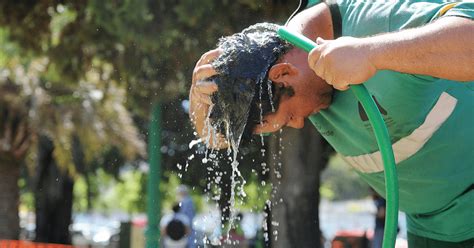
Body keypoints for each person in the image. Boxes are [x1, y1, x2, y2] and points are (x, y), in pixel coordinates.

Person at [189, 0, 474, 247]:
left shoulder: (373, 19)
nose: (300, 124)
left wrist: (373, 53)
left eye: (289, 116)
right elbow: (216, 139)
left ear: (284, 73)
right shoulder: (294, 74)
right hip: (434, 229)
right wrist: (199, 98)